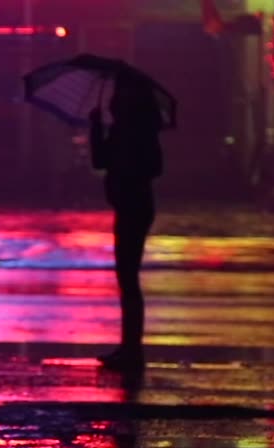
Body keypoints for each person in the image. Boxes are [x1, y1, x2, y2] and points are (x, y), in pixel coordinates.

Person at [89, 70, 163, 371]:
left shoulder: (135, 131)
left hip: (133, 205)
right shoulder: (131, 129)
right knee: (127, 279)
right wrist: (97, 128)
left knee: (128, 279)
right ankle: (129, 346)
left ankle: (132, 349)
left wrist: (125, 164)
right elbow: (101, 161)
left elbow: (151, 167)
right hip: (132, 204)